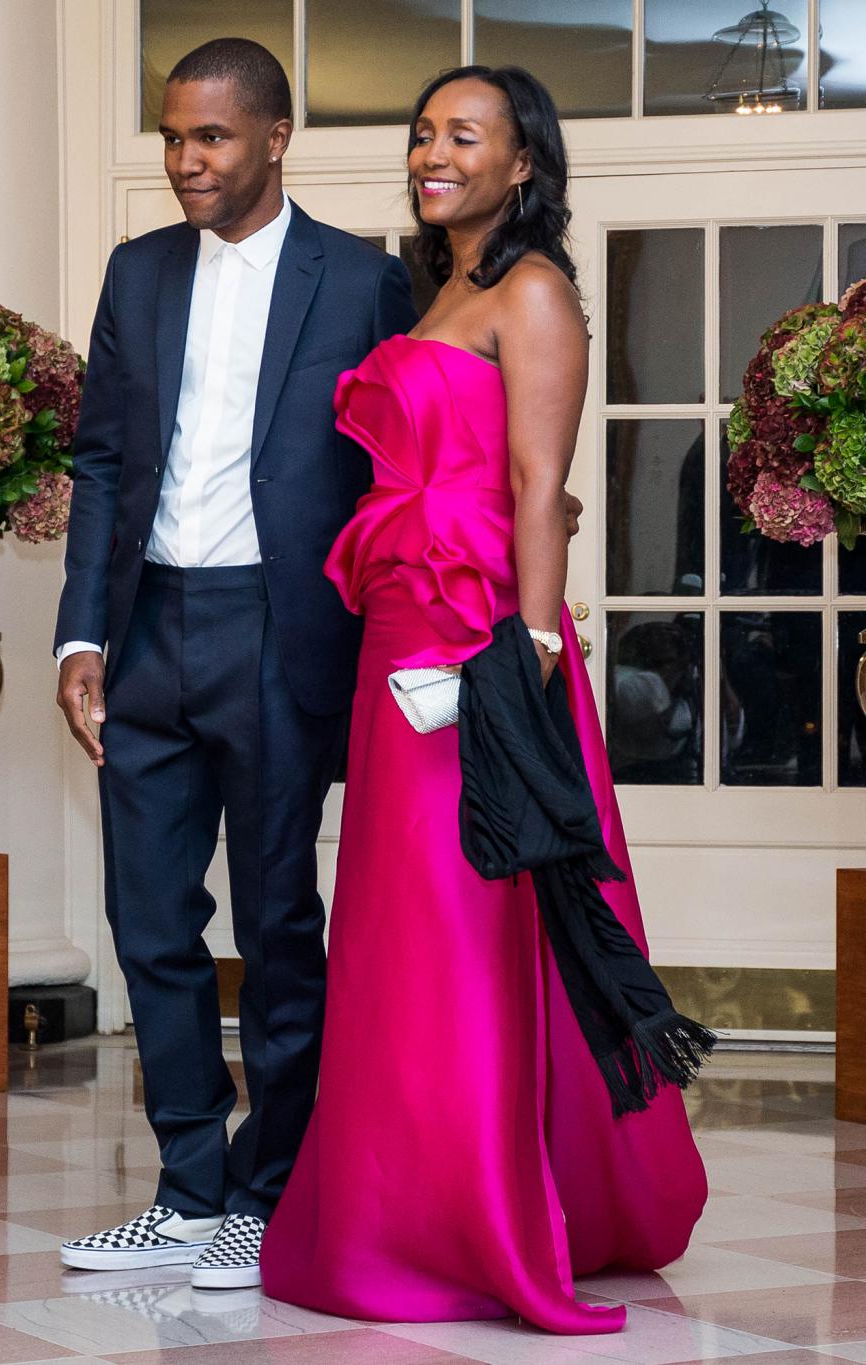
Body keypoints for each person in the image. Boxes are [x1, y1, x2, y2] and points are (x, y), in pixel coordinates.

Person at [53, 33, 587, 1290]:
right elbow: (101, 466)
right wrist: (82, 631)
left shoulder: (362, 279)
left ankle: (267, 1190)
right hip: (145, 635)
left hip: (285, 636)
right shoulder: (134, 277)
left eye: (211, 138)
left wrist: (521, 564)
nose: (186, 161)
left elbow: (445, 434)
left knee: (281, 922)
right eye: (173, 138)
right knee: (148, 919)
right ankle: (189, 1185)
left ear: (274, 139)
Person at [260, 65, 708, 1333]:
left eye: (465, 136)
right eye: (421, 135)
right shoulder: (433, 291)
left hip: (473, 642)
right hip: (396, 625)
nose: (431, 153)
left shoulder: (533, 290)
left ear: (524, 165)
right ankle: (396, 1202)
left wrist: (520, 658)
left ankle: (484, 1220)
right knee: (400, 924)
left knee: (471, 923)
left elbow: (536, 482)